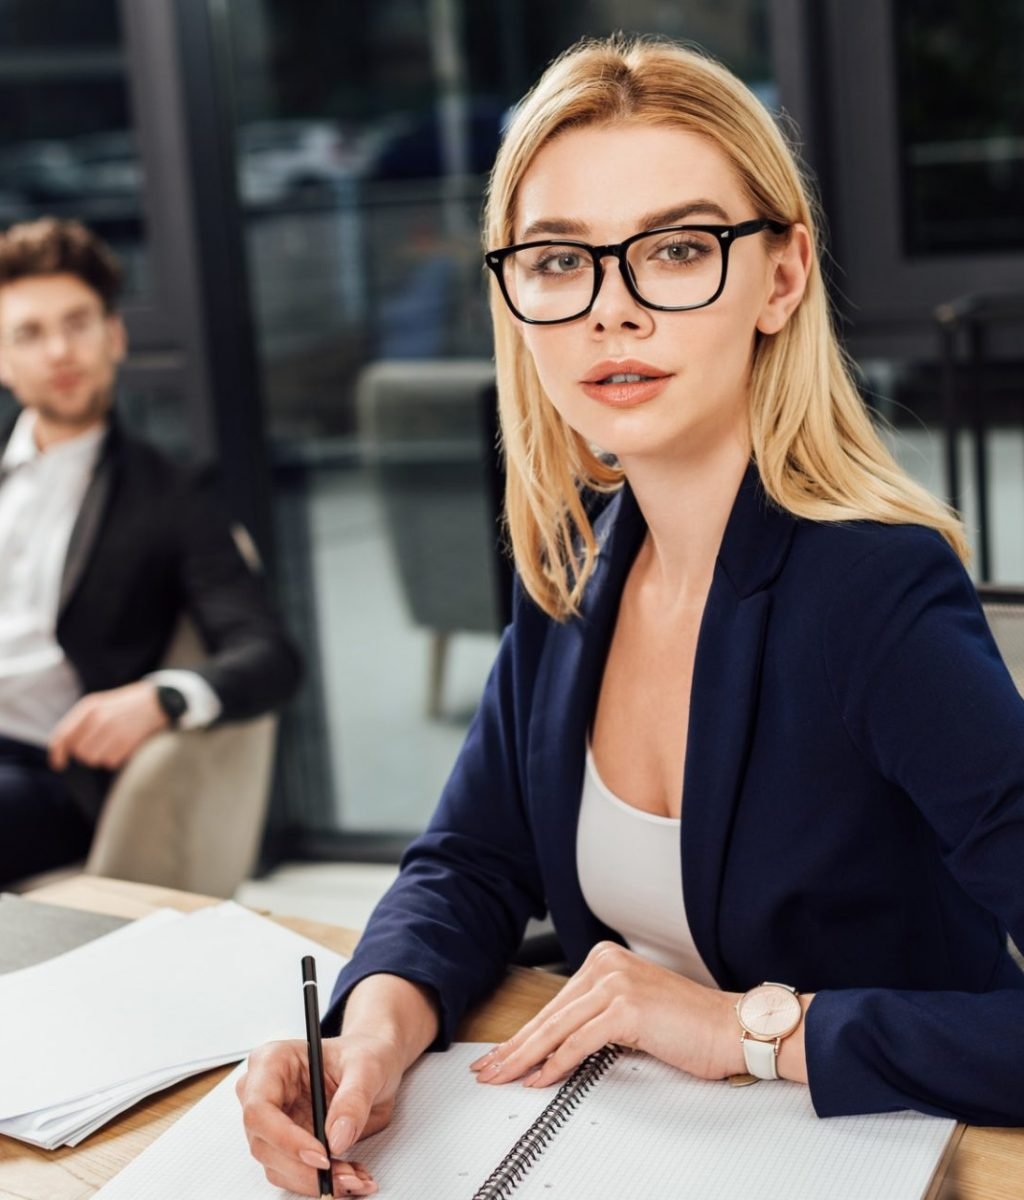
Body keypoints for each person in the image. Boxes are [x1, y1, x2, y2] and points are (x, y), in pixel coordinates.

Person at [238, 35, 1024, 1198]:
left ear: (782, 276)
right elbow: (467, 860)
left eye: (674, 250)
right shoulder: (576, 564)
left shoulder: (874, 594)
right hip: (628, 1144)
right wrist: (378, 1025)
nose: (611, 311)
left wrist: (754, 1030)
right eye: (559, 261)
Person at [0, 217, 302, 888]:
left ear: (114, 337)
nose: (59, 351)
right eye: (29, 333)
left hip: (44, 770)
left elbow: (271, 656)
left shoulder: (171, 494)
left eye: (77, 323)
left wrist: (162, 696)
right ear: (2, 360)